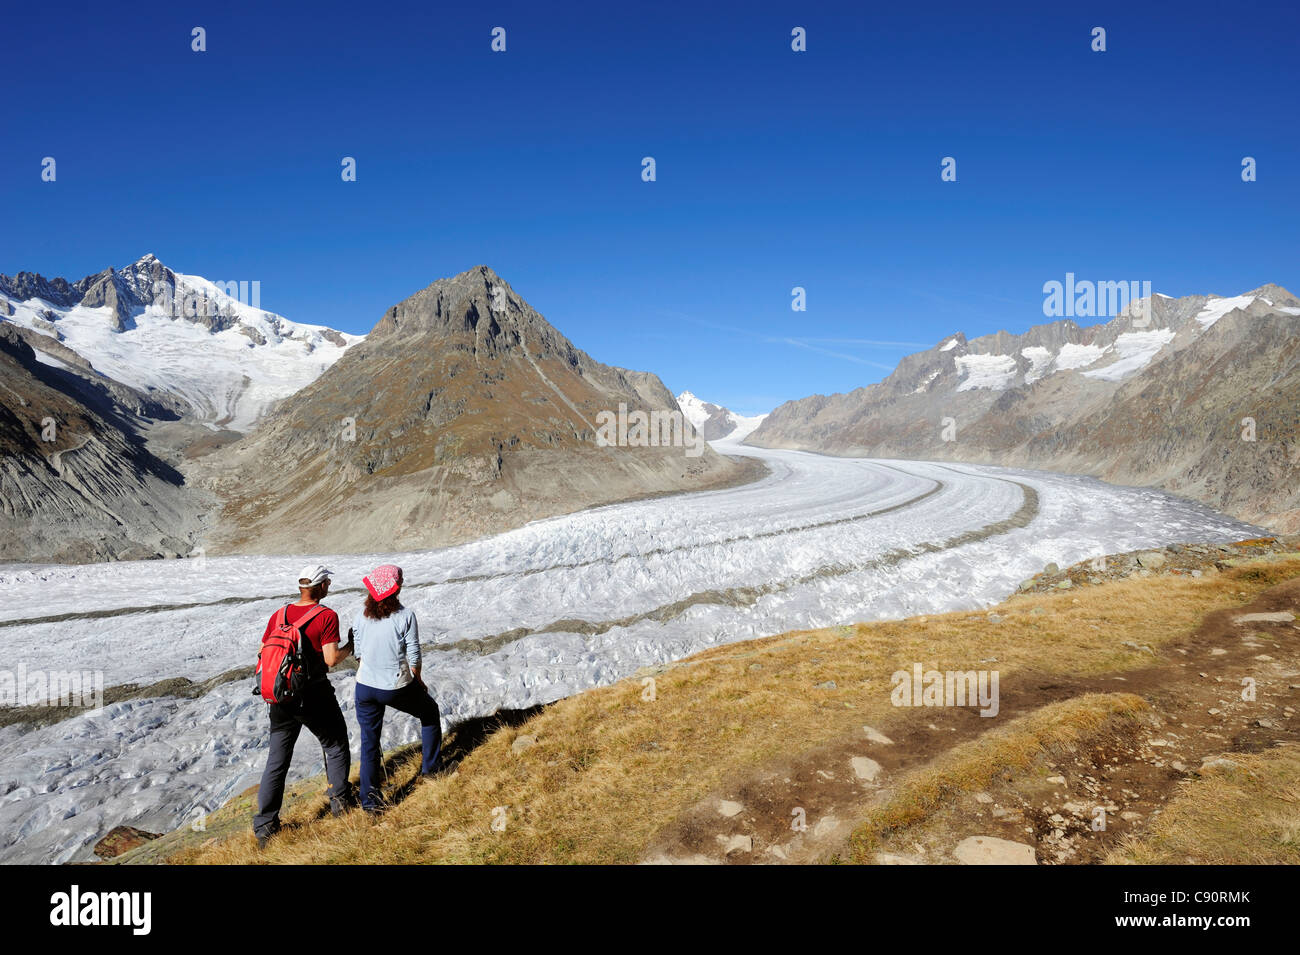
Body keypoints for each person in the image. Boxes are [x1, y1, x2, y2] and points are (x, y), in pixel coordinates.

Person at [252, 563, 353, 848]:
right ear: (320, 586)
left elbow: (263, 651)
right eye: (327, 583)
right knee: (334, 745)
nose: (329, 587)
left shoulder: (279, 614)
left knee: (277, 760)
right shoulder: (326, 616)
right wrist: (351, 647)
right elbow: (332, 659)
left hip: (279, 697)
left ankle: (265, 828)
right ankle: (341, 806)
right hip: (312, 694)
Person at [350, 564, 441, 813]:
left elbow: (358, 652)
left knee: (370, 742)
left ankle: (370, 803)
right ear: (397, 587)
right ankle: (431, 770)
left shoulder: (361, 616)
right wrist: (417, 678)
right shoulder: (405, 616)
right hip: (395, 685)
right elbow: (413, 653)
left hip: (365, 686)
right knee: (430, 713)